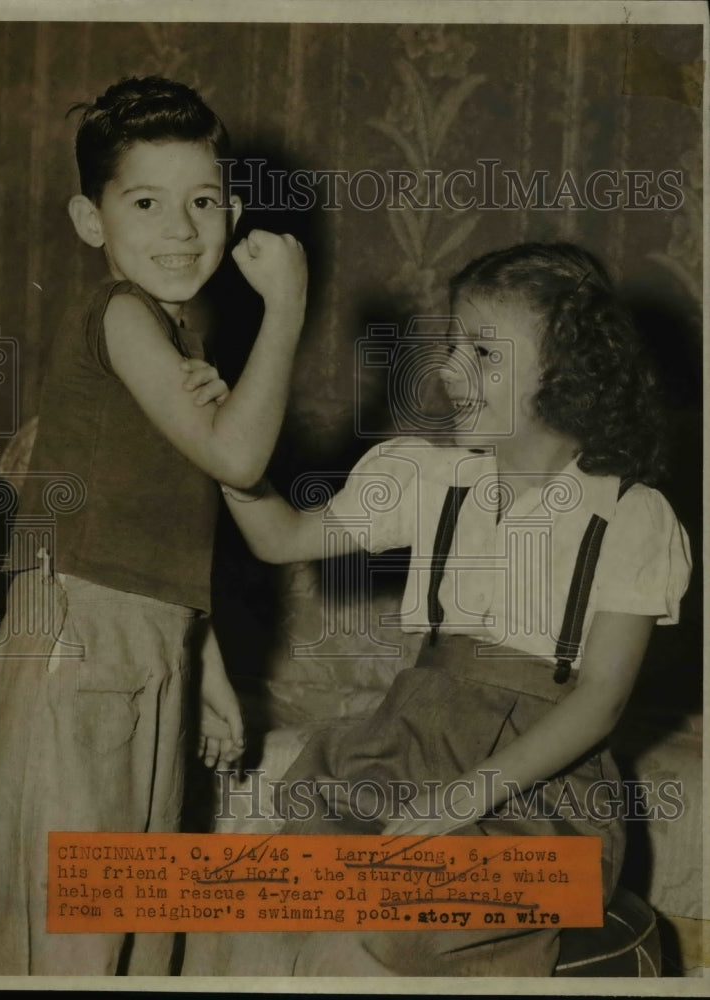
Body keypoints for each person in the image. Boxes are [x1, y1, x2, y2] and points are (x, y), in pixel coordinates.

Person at [182, 242, 691, 977]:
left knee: (407, 930)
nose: (449, 370)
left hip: (538, 791)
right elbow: (281, 537)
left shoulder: (630, 515)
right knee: (293, 900)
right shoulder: (430, 479)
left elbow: (600, 700)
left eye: (482, 352)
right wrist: (228, 460)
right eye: (452, 346)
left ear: (566, 370)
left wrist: (468, 794)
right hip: (408, 746)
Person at [0, 76, 307, 976]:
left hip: (145, 649)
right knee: (75, 936)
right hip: (82, 649)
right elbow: (237, 462)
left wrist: (206, 671)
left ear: (232, 214)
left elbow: (164, 530)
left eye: (202, 202)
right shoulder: (119, 315)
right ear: (92, 223)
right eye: (147, 202)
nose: (181, 229)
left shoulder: (178, 349)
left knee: (135, 922)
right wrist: (287, 309)